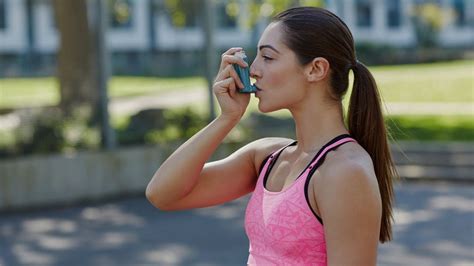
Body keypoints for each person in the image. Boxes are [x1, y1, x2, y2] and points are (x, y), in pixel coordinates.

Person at [146, 6, 397, 266]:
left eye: (267, 57)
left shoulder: (345, 172)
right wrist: (227, 119)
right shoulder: (267, 157)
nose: (253, 69)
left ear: (316, 69)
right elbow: (162, 194)